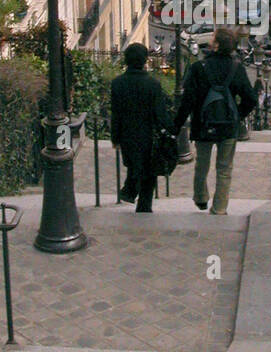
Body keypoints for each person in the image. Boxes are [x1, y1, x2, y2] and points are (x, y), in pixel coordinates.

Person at [174, 27, 257, 215]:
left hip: (203, 125)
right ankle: (219, 208)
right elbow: (250, 99)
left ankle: (201, 197)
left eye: (213, 39)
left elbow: (187, 101)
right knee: (224, 169)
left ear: (217, 45)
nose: (210, 41)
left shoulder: (198, 68)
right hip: (228, 126)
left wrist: (176, 125)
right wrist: (237, 115)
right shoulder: (237, 68)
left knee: (202, 164)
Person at [110, 43, 171, 213]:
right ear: (145, 60)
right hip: (148, 135)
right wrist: (168, 131)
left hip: (127, 134)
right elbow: (160, 113)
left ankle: (129, 190)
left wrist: (115, 138)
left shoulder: (117, 83)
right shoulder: (153, 84)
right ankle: (144, 205)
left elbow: (116, 113)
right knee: (149, 170)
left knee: (134, 165)